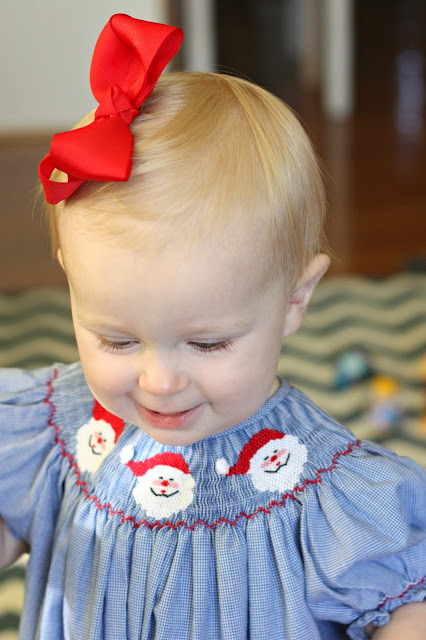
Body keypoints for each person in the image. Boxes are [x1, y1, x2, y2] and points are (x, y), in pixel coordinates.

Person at [0, 14, 425, 640]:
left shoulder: (323, 493)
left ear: (295, 298)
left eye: (207, 343)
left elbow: (405, 601)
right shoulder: (58, 429)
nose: (159, 381)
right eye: (117, 339)